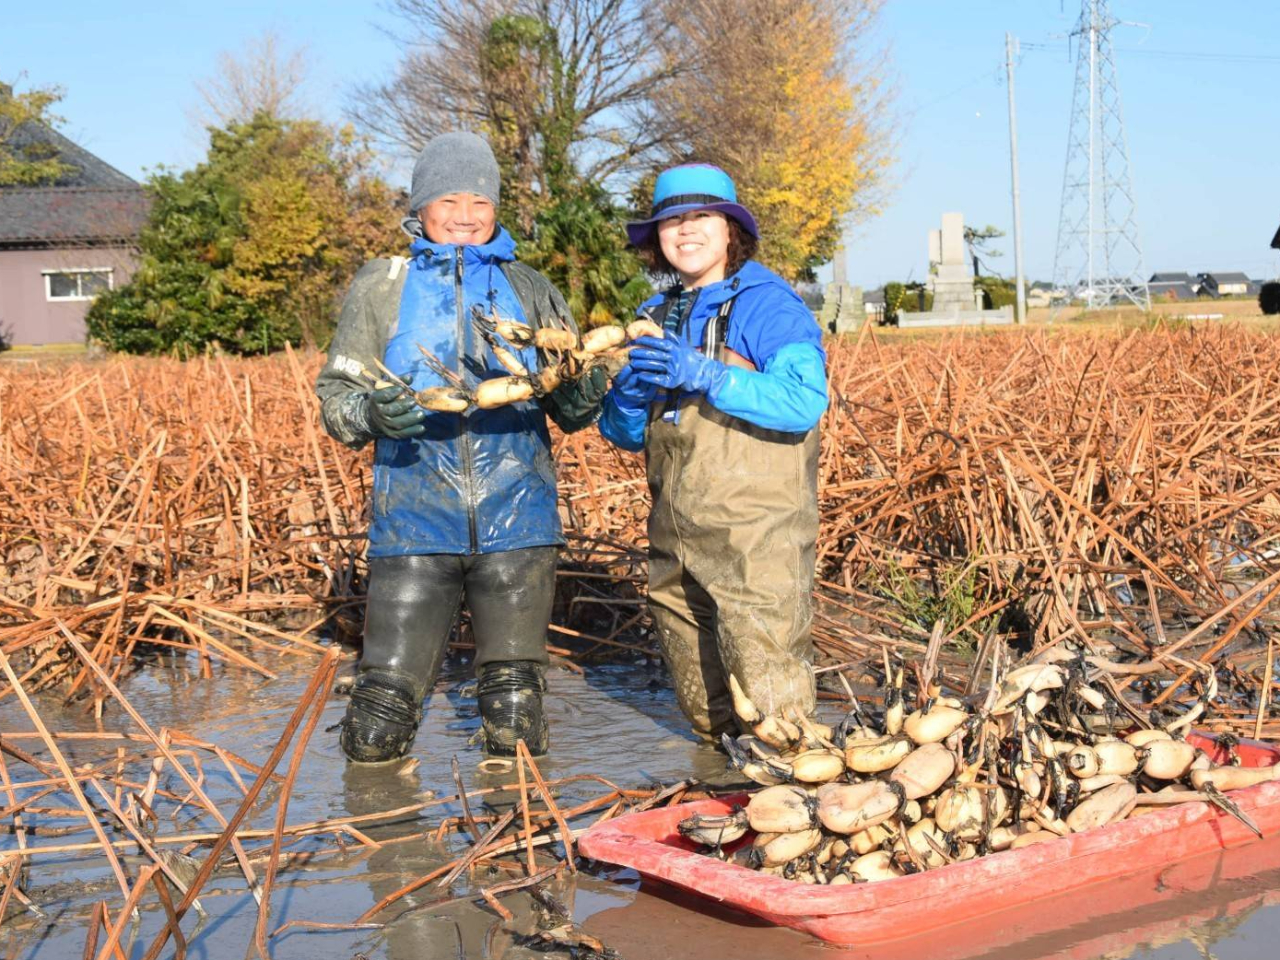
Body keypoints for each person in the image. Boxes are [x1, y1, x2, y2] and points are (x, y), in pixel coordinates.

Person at [315, 131, 607, 763]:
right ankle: (388, 847)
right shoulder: (380, 287)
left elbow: (576, 412)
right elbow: (337, 404)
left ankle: (519, 850)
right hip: (413, 524)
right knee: (376, 726)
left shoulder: (530, 287)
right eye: (449, 199)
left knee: (514, 718)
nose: (466, 215)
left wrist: (587, 374)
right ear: (419, 208)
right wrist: (371, 412)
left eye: (480, 199)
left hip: (520, 523)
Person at [599, 163, 828, 740]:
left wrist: (704, 373)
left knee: (776, 712)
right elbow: (626, 436)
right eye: (671, 221)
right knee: (707, 716)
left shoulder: (767, 305)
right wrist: (627, 397)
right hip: (675, 538)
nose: (686, 230)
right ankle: (725, 805)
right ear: (656, 239)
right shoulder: (655, 314)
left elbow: (804, 401)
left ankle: (794, 805)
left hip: (757, 536)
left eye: (701, 216)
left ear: (731, 231)